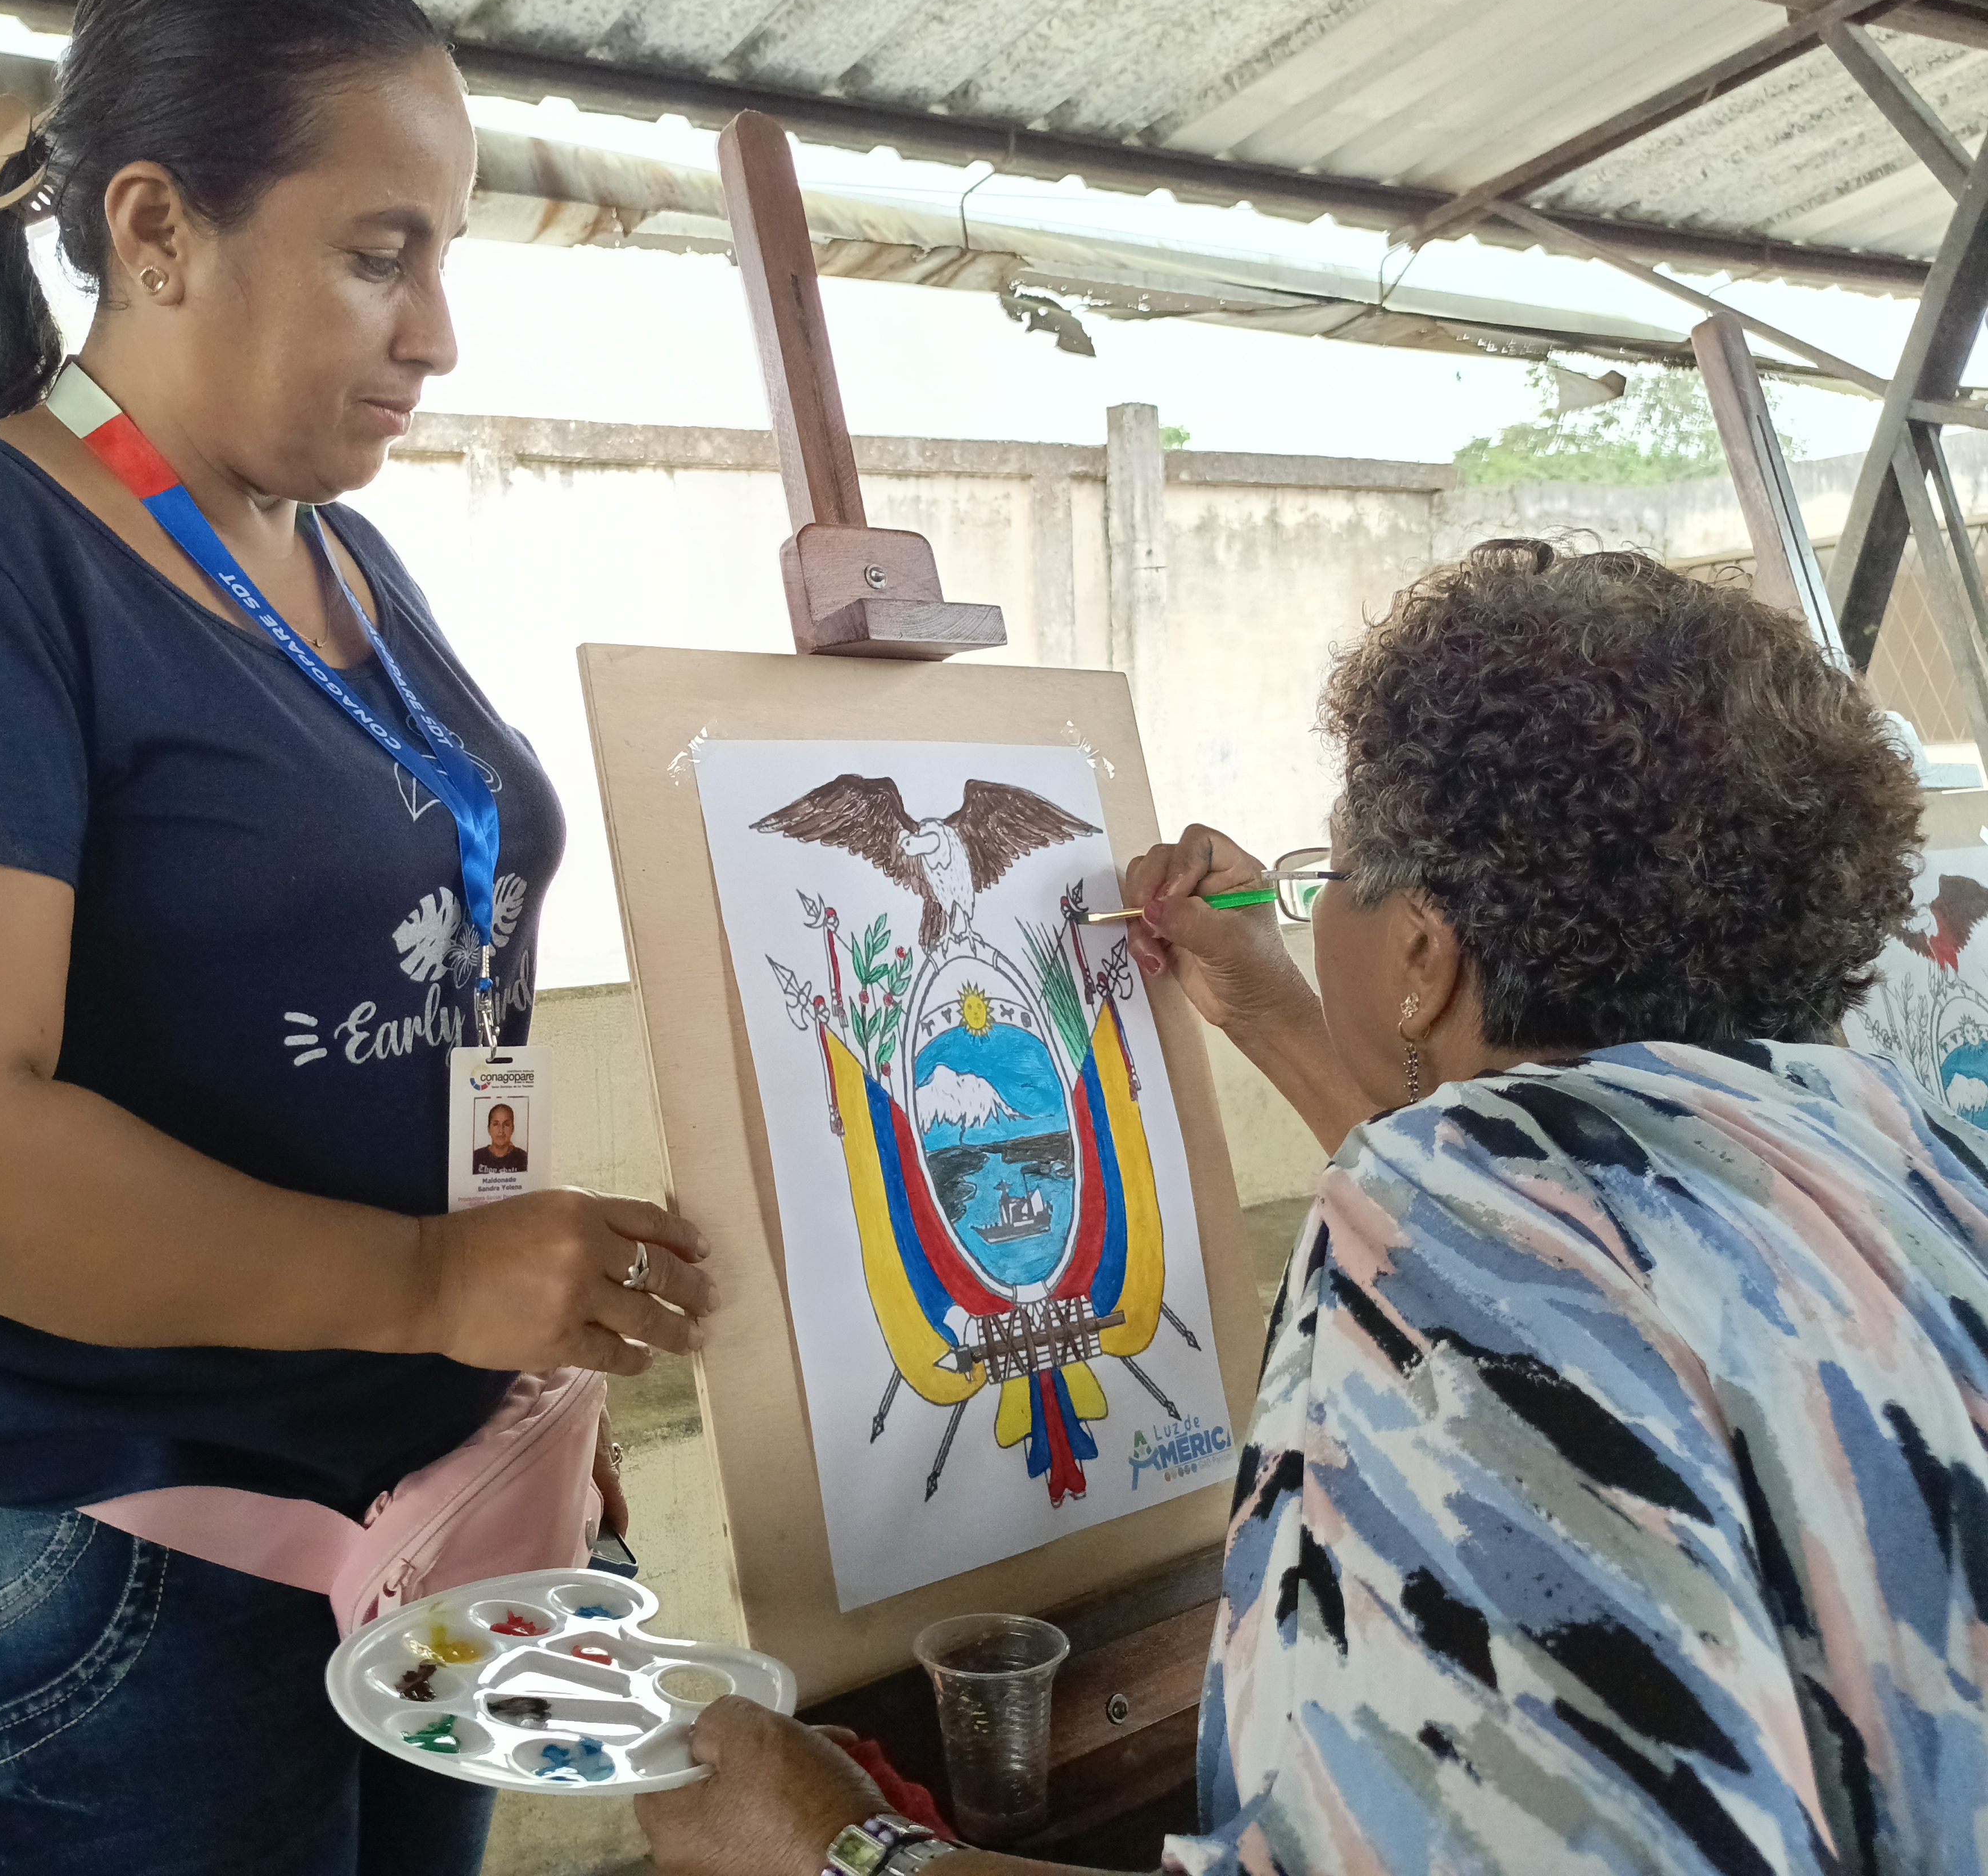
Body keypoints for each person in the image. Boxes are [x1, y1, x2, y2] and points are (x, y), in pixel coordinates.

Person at [0, 0, 715, 1871]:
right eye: (379, 255)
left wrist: (504, 1368)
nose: (436, 335)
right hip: (110, 1562)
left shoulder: (337, 561)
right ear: (155, 227)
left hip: (407, 1512)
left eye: (445, 257)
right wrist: (425, 1285)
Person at [637, 540, 1988, 1875]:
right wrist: (1272, 1008)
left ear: (1422, 951)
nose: (1308, 908)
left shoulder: (1456, 1218)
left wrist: (837, 1849)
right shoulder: (1904, 1150)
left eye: (1327, 873)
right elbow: (1577, 1230)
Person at [474, 1100, 530, 1176]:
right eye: (496, 1124)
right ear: (489, 1129)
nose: (501, 1130)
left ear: (513, 1129)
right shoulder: (476, 1157)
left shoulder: (523, 1158)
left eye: (506, 1124)